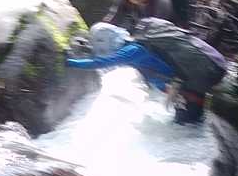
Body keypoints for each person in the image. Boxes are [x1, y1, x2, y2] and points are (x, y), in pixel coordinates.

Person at [66, 20, 226, 126]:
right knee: (190, 123)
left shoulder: (132, 51)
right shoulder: (136, 45)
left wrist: (70, 62)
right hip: (187, 84)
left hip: (186, 86)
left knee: (187, 125)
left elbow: (102, 63)